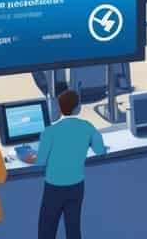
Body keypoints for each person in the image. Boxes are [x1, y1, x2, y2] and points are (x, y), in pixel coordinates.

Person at [33, 89, 106, 239]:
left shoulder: (50, 131)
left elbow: (40, 162)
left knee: (46, 229)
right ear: (78, 107)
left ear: (59, 108)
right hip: (76, 186)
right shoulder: (87, 127)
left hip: (54, 187)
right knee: (73, 229)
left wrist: (27, 157)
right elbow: (100, 151)